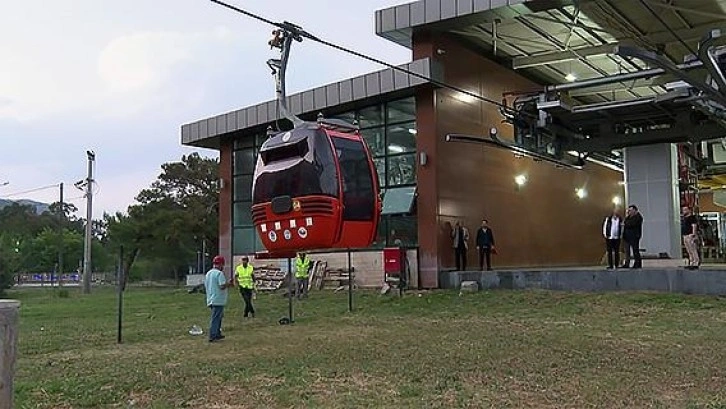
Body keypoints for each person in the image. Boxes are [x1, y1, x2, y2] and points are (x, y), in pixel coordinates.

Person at [204, 255, 233, 342]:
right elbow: (221, 286)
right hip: (218, 299)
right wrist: (229, 284)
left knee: (218, 317)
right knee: (216, 318)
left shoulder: (208, 273)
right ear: (220, 264)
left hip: (211, 298)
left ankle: (217, 333)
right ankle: (213, 335)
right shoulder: (219, 274)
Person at [622, 205, 643, 269]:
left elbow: (631, 224)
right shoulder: (628, 217)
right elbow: (625, 222)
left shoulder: (638, 217)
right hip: (627, 237)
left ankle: (637, 263)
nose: (629, 212)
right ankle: (627, 263)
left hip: (634, 236)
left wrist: (626, 223)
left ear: (634, 210)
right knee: (627, 251)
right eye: (628, 210)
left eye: (630, 210)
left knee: (635, 250)